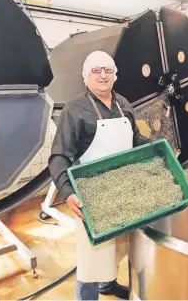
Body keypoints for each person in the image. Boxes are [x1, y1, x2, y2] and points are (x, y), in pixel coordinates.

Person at [48, 50, 149, 300]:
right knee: (91, 259)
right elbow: (59, 156)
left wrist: (155, 148)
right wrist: (68, 192)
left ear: (115, 75)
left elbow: (135, 139)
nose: (103, 75)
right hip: (93, 193)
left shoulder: (123, 104)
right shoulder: (75, 109)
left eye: (108, 70)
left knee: (119, 246)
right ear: (85, 77)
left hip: (125, 190)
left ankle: (108, 285)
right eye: (96, 70)